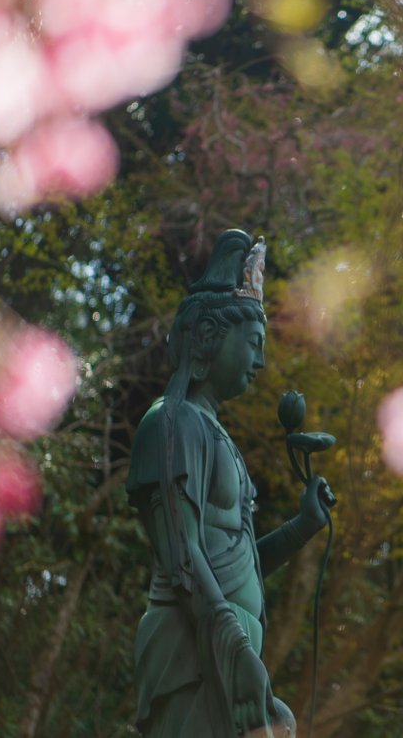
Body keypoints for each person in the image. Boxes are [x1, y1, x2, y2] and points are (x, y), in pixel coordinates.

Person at [126, 230, 331, 737]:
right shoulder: (172, 422)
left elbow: (237, 559)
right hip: (192, 644)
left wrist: (303, 525)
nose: (260, 363)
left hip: (223, 639)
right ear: (213, 335)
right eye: (254, 344)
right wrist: (232, 645)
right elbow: (183, 557)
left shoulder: (215, 434)